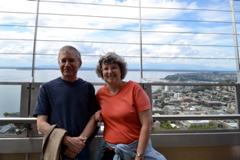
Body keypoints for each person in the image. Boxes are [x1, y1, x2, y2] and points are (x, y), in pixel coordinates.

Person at [95, 52, 166, 160]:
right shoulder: (100, 94)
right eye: (106, 68)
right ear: (101, 72)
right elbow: (95, 113)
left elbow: (147, 123)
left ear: (121, 70)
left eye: (114, 68)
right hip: (111, 150)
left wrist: (139, 155)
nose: (109, 72)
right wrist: (97, 113)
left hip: (135, 150)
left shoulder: (134, 89)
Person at [33, 45, 99, 160]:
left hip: (80, 149)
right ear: (59, 63)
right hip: (54, 149)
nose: (67, 64)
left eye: (71, 60)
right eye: (63, 61)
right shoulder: (47, 88)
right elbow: (41, 124)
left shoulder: (88, 88)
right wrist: (67, 141)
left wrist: (78, 144)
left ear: (80, 63)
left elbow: (93, 118)